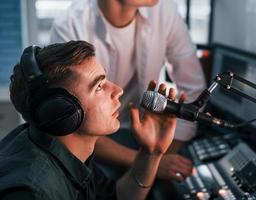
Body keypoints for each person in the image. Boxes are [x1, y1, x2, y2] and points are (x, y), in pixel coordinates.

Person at [0, 41, 181, 200]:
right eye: (99, 86)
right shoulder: (33, 192)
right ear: (61, 110)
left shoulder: (68, 152)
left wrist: (151, 152)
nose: (118, 90)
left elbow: (119, 196)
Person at [50, 0, 206, 180]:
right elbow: (73, 123)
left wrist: (160, 156)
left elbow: (193, 91)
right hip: (95, 140)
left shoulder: (165, 11)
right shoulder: (70, 25)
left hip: (146, 134)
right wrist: (149, 162)